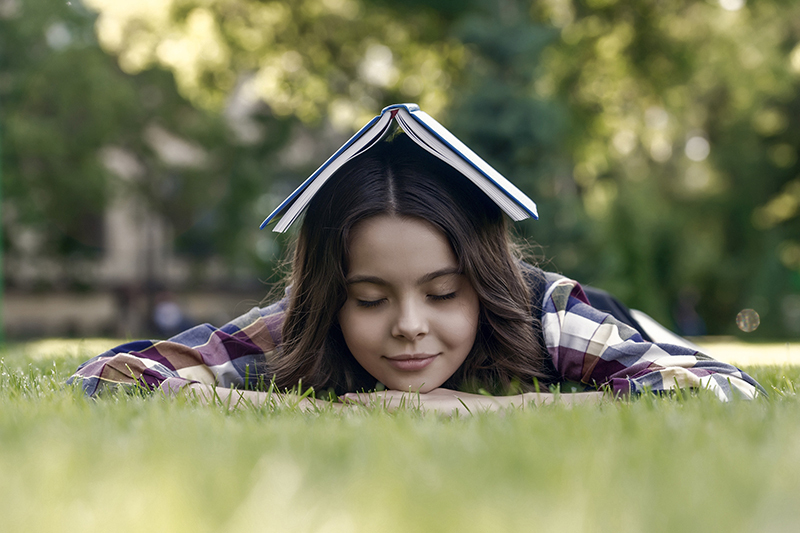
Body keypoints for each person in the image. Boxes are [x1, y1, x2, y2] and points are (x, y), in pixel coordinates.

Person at [68, 127, 763, 414]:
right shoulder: (298, 328)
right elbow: (103, 381)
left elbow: (719, 389)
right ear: (331, 300)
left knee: (651, 336)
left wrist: (488, 411)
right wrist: (316, 415)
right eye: (369, 298)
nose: (408, 326)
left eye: (441, 292)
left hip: (615, 319)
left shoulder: (542, 315)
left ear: (481, 283)